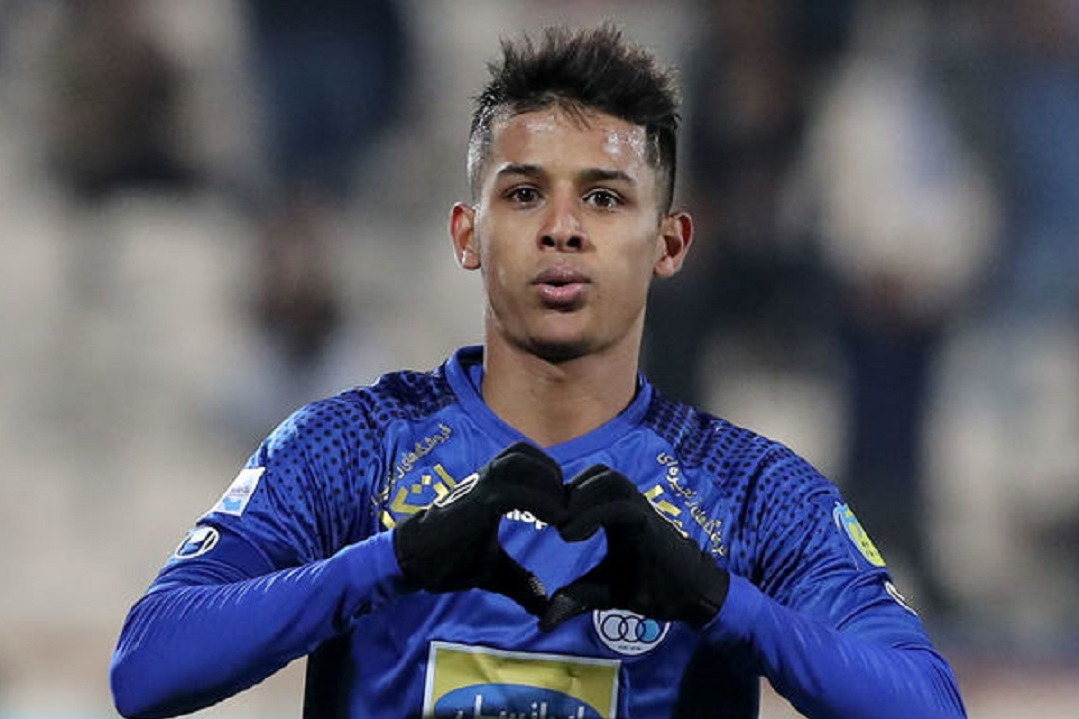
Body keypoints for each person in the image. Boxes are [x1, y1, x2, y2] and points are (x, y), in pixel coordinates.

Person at [109, 25, 967, 719]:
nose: (562, 228)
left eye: (604, 197)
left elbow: (925, 705)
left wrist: (715, 599)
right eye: (523, 194)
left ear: (669, 243)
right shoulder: (352, 447)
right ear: (466, 234)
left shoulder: (748, 491)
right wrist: (395, 559)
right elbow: (146, 667)